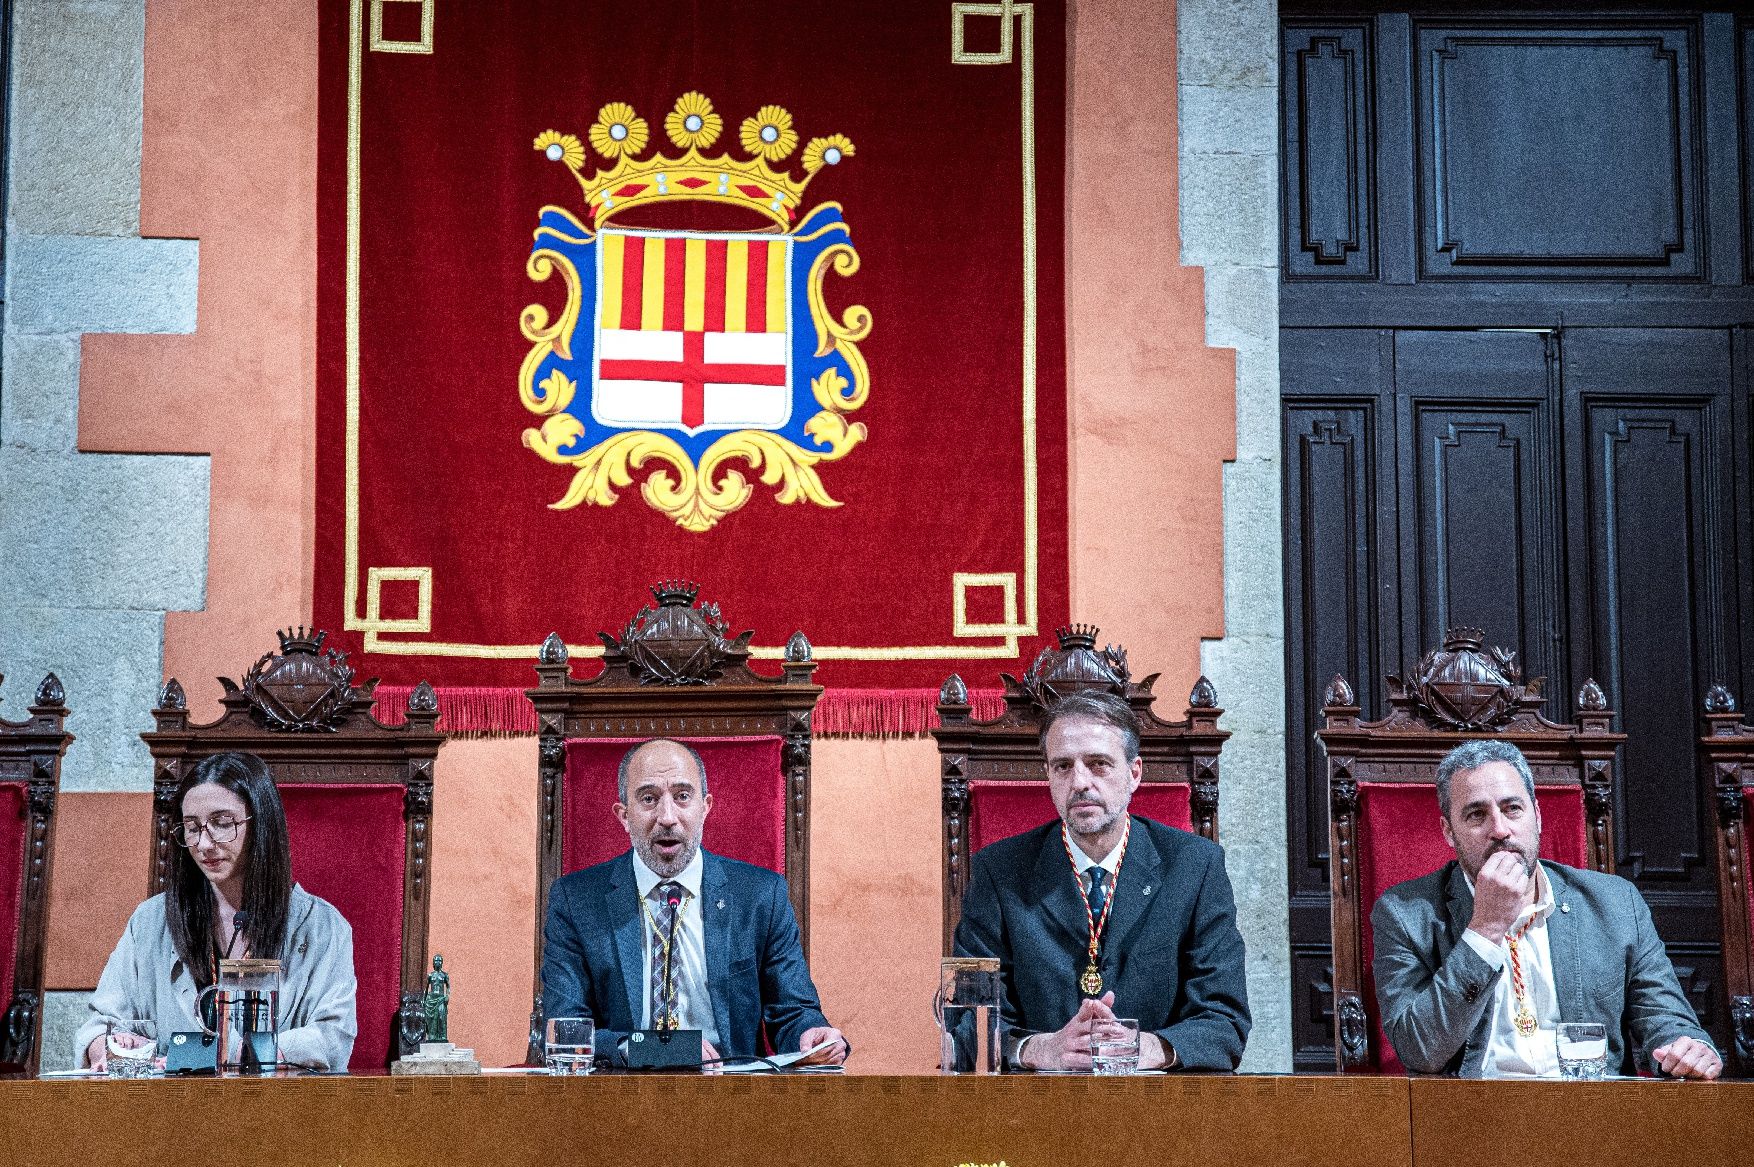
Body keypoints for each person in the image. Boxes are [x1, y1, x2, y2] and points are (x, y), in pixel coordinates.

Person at [1372, 738, 1720, 1078]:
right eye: (1477, 815)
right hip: (1473, 1116)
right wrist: (1486, 929)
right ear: (1449, 832)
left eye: (1513, 809)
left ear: (1537, 816)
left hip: (1591, 1113)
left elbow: (1666, 1020)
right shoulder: (1405, 915)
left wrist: (1686, 1050)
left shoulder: (1616, 904)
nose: (1500, 829)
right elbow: (1420, 1050)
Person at [953, 690, 1250, 1071]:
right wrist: (1038, 1049)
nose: (1079, 782)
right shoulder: (999, 871)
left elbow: (1225, 1018)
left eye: (1098, 764)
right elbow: (965, 1017)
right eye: (1062, 766)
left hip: (1161, 1107)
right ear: (1047, 774)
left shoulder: (1195, 867)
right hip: (1035, 1107)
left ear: (1134, 773)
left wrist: (1147, 1048)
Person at [541, 738, 847, 1067]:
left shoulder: (760, 896)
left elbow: (793, 1011)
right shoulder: (576, 900)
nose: (667, 817)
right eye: (649, 799)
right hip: (620, 1095)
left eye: (683, 796)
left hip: (731, 1096)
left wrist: (810, 1034)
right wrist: (651, 1048)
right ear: (624, 815)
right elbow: (564, 1031)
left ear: (705, 807)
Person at [75, 752, 357, 1071]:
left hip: (280, 1110)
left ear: (262, 824)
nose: (205, 844)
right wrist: (109, 1048)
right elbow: (102, 1025)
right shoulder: (150, 921)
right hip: (169, 1111)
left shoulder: (322, 926)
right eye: (192, 828)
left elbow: (331, 1039)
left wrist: (240, 1055)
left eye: (222, 824)